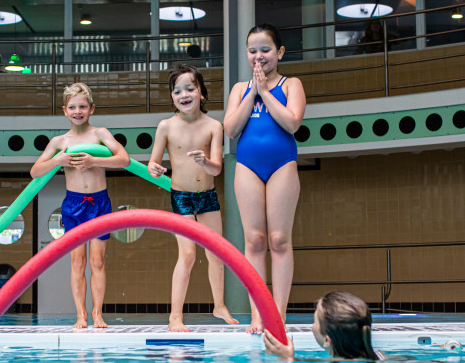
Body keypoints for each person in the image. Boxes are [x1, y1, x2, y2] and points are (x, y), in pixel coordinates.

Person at [223, 24, 306, 334]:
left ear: (280, 52)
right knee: (255, 240)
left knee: (279, 240)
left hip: (282, 163)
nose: (259, 56)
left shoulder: (291, 83)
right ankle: (258, 314)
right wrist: (252, 92)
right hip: (247, 165)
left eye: (265, 50)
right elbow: (230, 129)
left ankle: (278, 315)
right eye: (252, 51)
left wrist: (266, 92)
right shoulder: (237, 89)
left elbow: (292, 122)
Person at [148, 64, 238, 332]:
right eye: (177, 91)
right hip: (182, 198)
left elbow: (217, 168)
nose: (184, 95)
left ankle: (219, 305)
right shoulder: (166, 126)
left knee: (216, 254)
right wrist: (155, 169)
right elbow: (153, 164)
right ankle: (175, 316)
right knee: (187, 255)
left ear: (201, 92)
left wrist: (204, 161)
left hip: (207, 196)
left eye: (190, 88)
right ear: (172, 96)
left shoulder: (213, 126)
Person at [31, 82, 129, 329]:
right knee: (77, 262)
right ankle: (80, 315)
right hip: (73, 205)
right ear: (65, 110)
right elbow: (34, 172)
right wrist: (58, 160)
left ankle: (97, 314)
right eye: (73, 107)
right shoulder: (59, 142)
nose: (78, 111)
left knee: (98, 262)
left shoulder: (100, 135)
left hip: (99, 202)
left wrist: (94, 160)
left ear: (92, 108)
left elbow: (125, 159)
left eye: (82, 106)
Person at [263, 291, 384, 361]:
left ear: (327, 340)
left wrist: (287, 359)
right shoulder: (379, 356)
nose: (311, 326)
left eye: (314, 321)